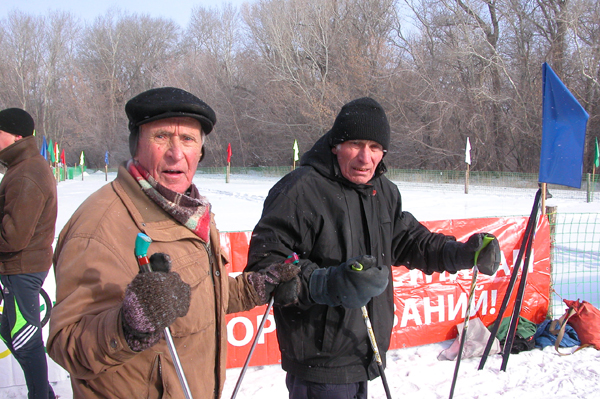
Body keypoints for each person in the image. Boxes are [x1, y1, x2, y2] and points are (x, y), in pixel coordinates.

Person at [47, 87, 300, 398]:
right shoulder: (100, 224)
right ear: (136, 145)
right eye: (162, 136)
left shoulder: (191, 211)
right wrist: (129, 327)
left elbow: (201, 297)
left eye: (188, 139)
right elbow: (66, 344)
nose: (176, 152)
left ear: (200, 152)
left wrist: (258, 286)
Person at [245, 97, 502, 399]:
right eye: (355, 144)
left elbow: (410, 241)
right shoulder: (301, 189)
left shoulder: (384, 192)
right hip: (319, 360)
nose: (365, 157)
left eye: (375, 147)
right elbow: (266, 261)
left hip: (364, 352)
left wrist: (462, 253)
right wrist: (325, 282)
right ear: (335, 145)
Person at [0, 108, 58, 399]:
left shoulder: (26, 172)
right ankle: (44, 393)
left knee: (25, 340)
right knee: (9, 330)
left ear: (15, 136)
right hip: (19, 268)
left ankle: (42, 396)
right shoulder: (21, 167)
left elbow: (14, 236)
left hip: (22, 268)